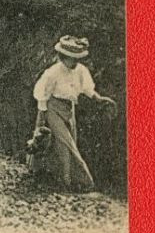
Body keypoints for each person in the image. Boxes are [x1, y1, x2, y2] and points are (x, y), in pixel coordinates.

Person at [28, 35, 116, 190]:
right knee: (66, 145)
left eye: (77, 59)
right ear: (63, 57)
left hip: (69, 110)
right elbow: (43, 97)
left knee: (70, 141)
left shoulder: (80, 70)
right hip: (53, 109)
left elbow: (87, 89)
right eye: (72, 59)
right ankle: (70, 182)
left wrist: (99, 98)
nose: (75, 62)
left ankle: (58, 178)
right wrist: (40, 121)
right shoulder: (52, 73)